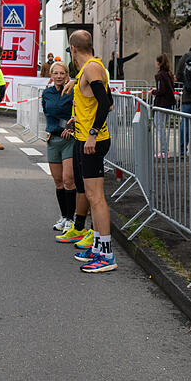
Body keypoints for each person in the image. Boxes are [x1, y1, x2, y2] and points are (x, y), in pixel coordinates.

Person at [56, 29, 117, 273]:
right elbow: (104, 101)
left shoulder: (91, 68)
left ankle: (106, 254)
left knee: (96, 197)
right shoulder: (89, 69)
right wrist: (78, 120)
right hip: (84, 137)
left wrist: (92, 132)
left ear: (72, 49)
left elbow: (105, 104)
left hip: (93, 140)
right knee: (91, 195)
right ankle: (97, 247)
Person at [42, 61, 76, 231]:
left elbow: (79, 113)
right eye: (55, 73)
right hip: (53, 140)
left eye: (62, 73)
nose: (59, 76)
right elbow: (47, 113)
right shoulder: (46, 93)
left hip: (70, 140)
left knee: (69, 180)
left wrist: (71, 127)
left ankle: (71, 219)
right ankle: (63, 217)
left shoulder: (72, 91)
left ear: (67, 74)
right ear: (51, 75)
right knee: (58, 181)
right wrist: (50, 129)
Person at [153, 53, 177, 157]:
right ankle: (165, 149)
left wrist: (153, 92)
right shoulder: (169, 74)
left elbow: (161, 90)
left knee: (160, 127)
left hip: (161, 104)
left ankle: (164, 150)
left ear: (158, 63)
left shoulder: (160, 75)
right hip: (169, 103)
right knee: (163, 127)